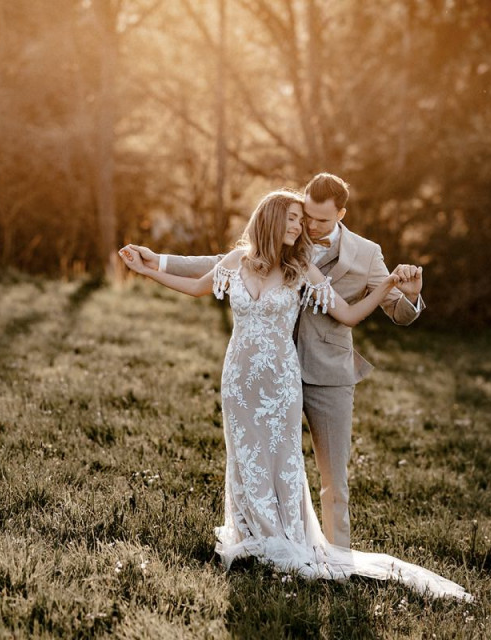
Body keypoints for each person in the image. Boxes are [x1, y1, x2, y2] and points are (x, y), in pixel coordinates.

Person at [118, 189, 471, 600]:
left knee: (281, 458)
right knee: (245, 456)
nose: (300, 227)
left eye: (302, 221)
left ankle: (287, 539)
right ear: (268, 220)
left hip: (282, 381)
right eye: (292, 220)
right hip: (237, 379)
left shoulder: (300, 267)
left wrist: (392, 282)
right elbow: (198, 285)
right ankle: (250, 534)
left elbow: (350, 314)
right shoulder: (237, 261)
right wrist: (147, 269)